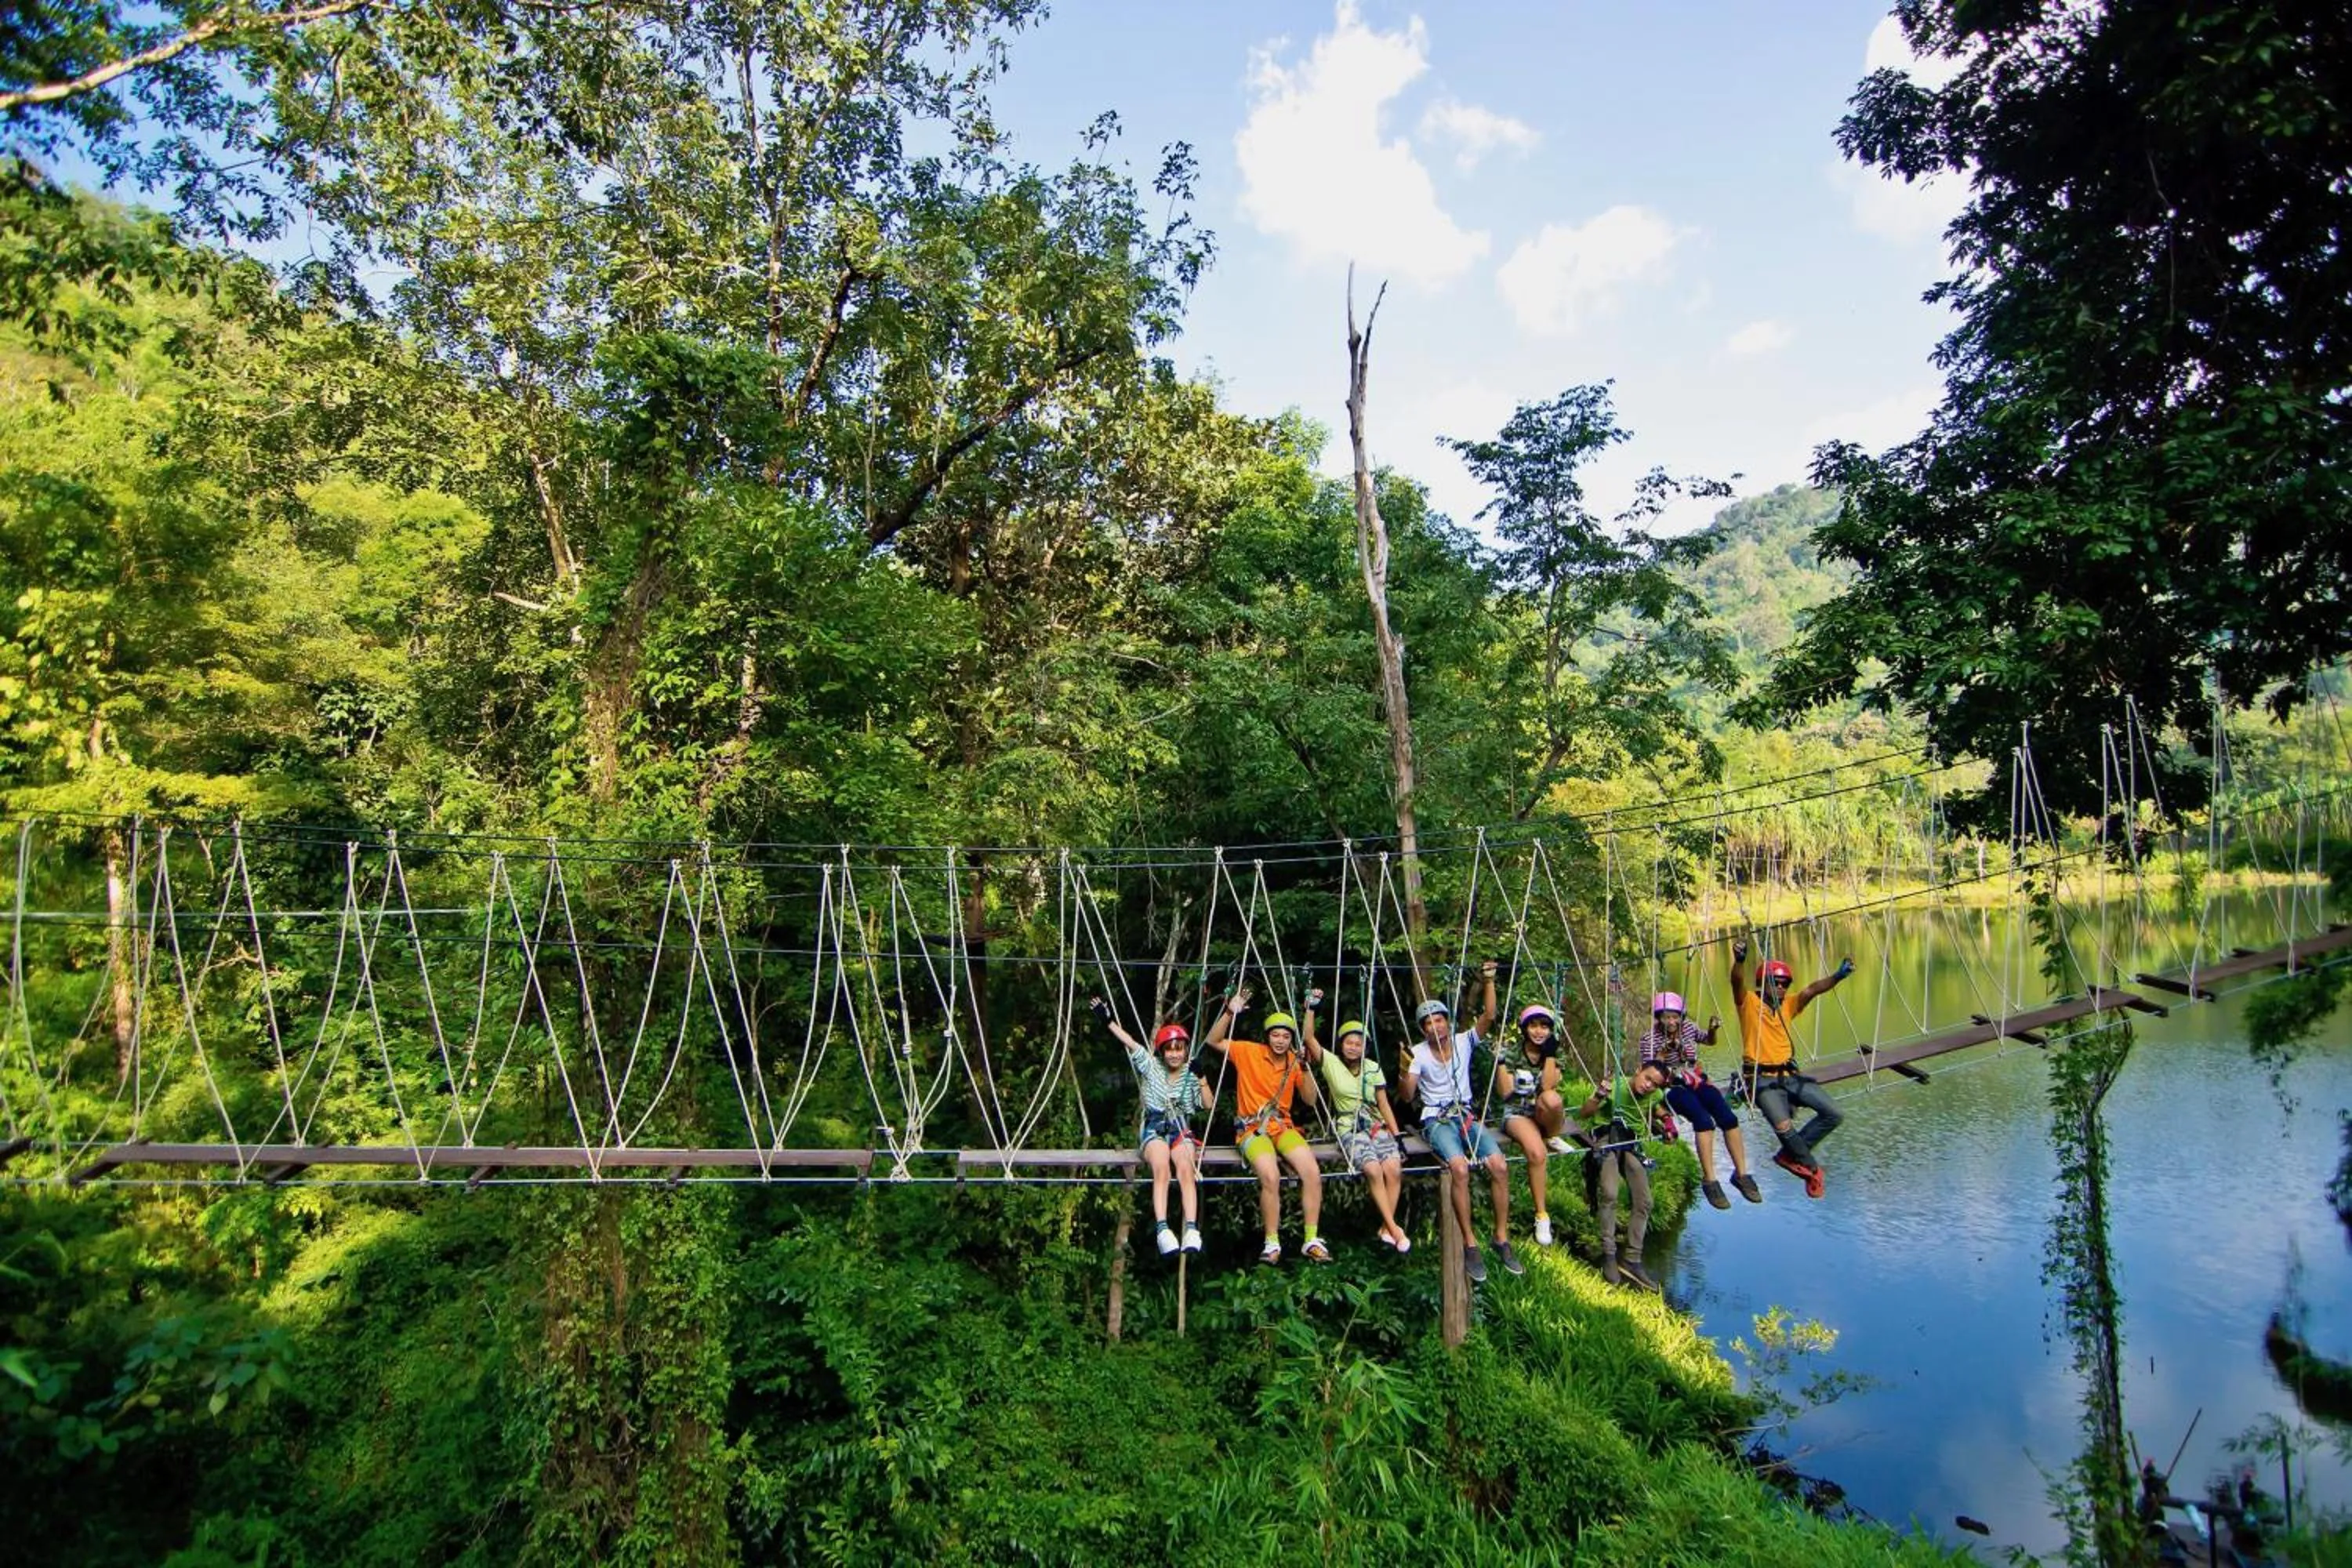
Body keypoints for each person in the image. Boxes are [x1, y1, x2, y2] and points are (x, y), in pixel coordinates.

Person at [1405, 960, 1520, 1282]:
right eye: (1429, 1023)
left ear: (1447, 1022)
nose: (1435, 1027)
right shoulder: (1417, 1054)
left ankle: (1501, 1238)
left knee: (1499, 1165)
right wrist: (1405, 1073)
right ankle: (1470, 1244)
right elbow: (1406, 1094)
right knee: (1459, 1168)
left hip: (1465, 1115)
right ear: (1423, 1029)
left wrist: (1489, 981)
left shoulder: (1462, 1041)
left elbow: (1490, 1017)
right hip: (1437, 1119)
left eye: (1439, 1020)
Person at [1205, 985, 1326, 1264]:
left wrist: (1305, 1067)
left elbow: (1310, 1101)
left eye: (1286, 1036)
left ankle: (1311, 1238)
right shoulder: (1248, 1052)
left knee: (1311, 1171)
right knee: (1270, 1176)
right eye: (1276, 1035)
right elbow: (1213, 1041)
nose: (1281, 1041)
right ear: (1267, 1036)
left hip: (1283, 1127)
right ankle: (1272, 1242)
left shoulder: (1295, 1063)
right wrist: (1228, 1012)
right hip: (1251, 1129)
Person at [1728, 936, 1854, 1199]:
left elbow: (1812, 990)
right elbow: (1737, 982)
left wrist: (1838, 976)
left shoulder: (1788, 1005)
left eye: (1786, 985)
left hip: (1791, 1076)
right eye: (1778, 984)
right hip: (1760, 1079)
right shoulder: (1749, 1003)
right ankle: (1812, 1169)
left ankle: (1790, 1155)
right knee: (1784, 1128)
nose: (1783, 989)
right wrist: (1739, 961)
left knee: (1834, 1114)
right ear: (1763, 984)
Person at [1091, 997, 1213, 1255]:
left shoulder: (1192, 1074)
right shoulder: (1151, 1067)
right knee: (1161, 1168)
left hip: (1180, 1129)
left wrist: (1202, 1078)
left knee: (1185, 1169)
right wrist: (1109, 1022)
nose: (1175, 1054)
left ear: (1186, 1050)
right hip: (1155, 1128)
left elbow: (1208, 1105)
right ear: (1161, 1051)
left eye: (1179, 1048)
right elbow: (1131, 1043)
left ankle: (1191, 1229)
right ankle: (1163, 1229)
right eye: (1169, 1049)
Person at [1301, 992, 1410, 1253]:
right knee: (1373, 1169)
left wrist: (1396, 1136)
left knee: (1394, 1169)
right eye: (1349, 1042)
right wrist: (1311, 1008)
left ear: (1365, 1047)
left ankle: (1387, 1228)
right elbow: (1308, 1038)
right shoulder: (1332, 1064)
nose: (1353, 1047)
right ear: (1342, 1045)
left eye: (1358, 1043)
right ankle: (1394, 1229)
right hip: (1350, 1127)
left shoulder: (1372, 1068)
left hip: (1376, 1125)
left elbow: (1383, 1103)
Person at [1635, 991, 1761, 1210]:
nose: (1671, 1022)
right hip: (1671, 1086)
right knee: (1704, 1121)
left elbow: (1709, 1041)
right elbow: (1648, 1071)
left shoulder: (1689, 1028)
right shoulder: (1649, 1039)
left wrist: (1713, 1029)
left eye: (1675, 1017)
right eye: (1666, 1017)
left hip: (1695, 1079)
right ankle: (1710, 1179)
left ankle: (1741, 1174)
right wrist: (1662, 1056)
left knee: (1728, 1118)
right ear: (1658, 1017)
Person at [1577, 1061, 1672, 1290]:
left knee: (1645, 1201)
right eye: (1647, 1079)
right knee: (1609, 1193)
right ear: (1638, 1070)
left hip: (1630, 1145)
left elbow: (1658, 1111)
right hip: (1607, 1140)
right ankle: (1609, 1254)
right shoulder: (1616, 1086)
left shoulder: (1655, 1094)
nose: (1648, 1086)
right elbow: (1584, 1113)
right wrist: (1599, 1095)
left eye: (1655, 1084)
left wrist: (1667, 1125)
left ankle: (1632, 1259)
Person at [1494, 1002, 1575, 1246]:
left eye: (1544, 1027)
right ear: (1525, 1028)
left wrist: (1549, 1055)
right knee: (1537, 1154)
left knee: (1552, 1099)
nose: (1539, 1032)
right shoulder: (1512, 1052)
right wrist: (1499, 1063)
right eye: (1533, 1026)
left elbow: (1549, 1087)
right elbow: (1505, 1093)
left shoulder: (1554, 1052)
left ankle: (1551, 1135)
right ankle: (1541, 1215)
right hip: (1517, 1112)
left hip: (1542, 1112)